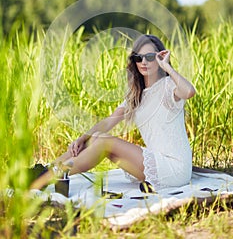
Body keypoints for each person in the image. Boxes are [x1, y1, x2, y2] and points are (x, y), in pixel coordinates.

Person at [31, 34, 196, 191]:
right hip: (156, 161)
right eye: (139, 58)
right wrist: (82, 138)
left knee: (105, 142)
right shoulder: (137, 95)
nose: (144, 62)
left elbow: (189, 91)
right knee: (95, 137)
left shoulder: (168, 86)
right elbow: (108, 122)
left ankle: (46, 178)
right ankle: (44, 170)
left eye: (150, 57)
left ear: (159, 57)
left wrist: (167, 66)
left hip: (175, 168)